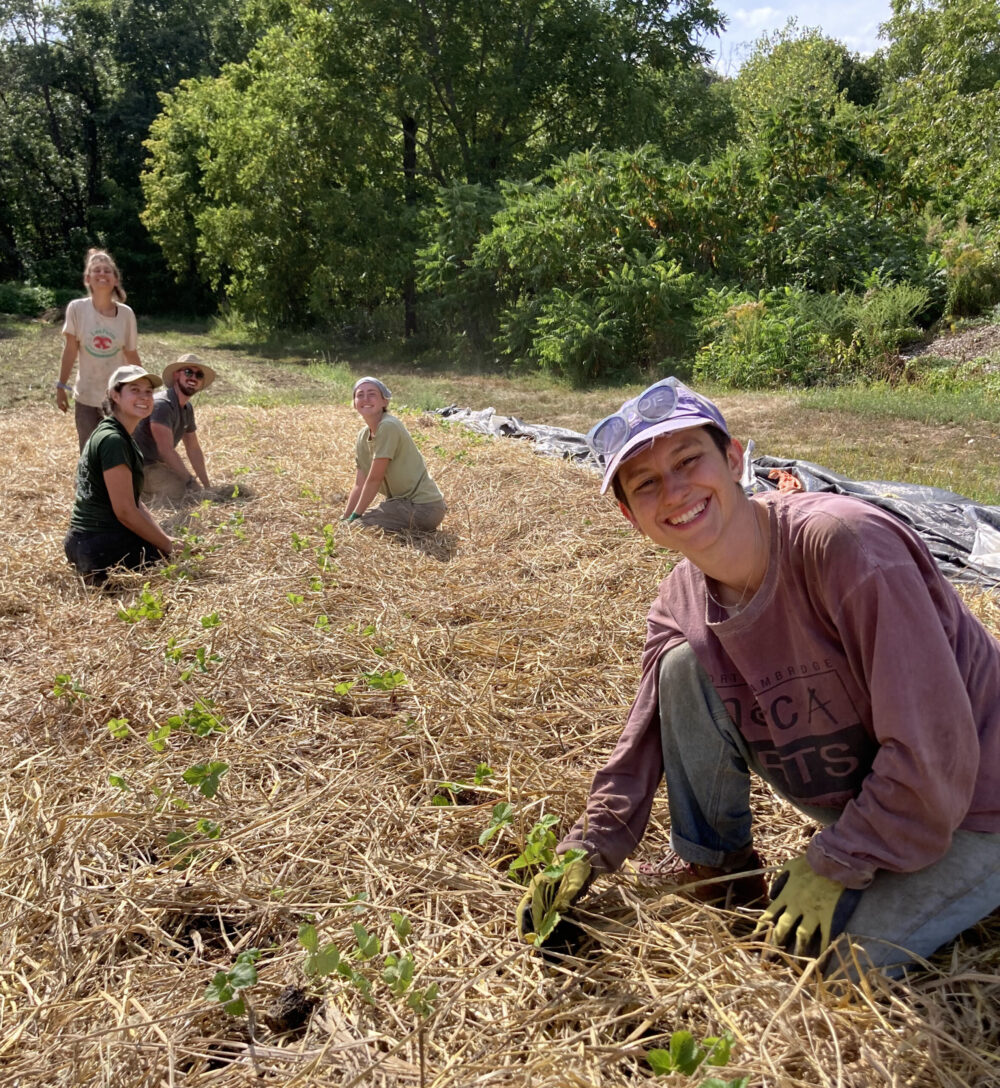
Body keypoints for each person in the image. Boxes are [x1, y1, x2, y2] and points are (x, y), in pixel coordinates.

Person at [517, 376, 1000, 978]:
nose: (674, 491)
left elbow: (936, 751)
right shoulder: (680, 599)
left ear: (735, 457)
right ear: (630, 516)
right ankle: (717, 867)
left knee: (821, 968)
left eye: (688, 460)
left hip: (975, 803)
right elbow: (642, 740)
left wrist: (834, 862)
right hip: (868, 796)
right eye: (645, 485)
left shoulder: (845, 546)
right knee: (682, 666)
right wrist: (589, 846)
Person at [64, 365, 175, 585]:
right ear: (115, 394)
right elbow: (125, 511)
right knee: (171, 563)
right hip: (98, 545)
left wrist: (164, 538)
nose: (144, 397)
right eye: (135, 390)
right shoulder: (114, 440)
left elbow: (134, 502)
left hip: (85, 542)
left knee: (165, 548)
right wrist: (168, 546)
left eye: (148, 391)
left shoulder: (118, 434)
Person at [56, 249, 142, 451]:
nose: (102, 274)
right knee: (88, 451)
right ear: (88, 278)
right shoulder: (76, 309)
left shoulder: (126, 314)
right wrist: (61, 386)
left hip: (118, 397)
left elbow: (131, 354)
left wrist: (145, 390)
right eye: (96, 270)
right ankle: (87, 483)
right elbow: (70, 351)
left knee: (119, 450)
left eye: (107, 270)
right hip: (86, 395)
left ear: (115, 280)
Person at [342, 377, 447, 532]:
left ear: (385, 402)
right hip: (400, 504)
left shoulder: (388, 426)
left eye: (372, 394)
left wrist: (355, 517)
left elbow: (374, 479)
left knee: (357, 529)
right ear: (354, 403)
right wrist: (345, 517)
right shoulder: (362, 436)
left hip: (423, 507)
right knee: (351, 526)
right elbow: (360, 484)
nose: (365, 399)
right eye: (360, 395)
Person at [133, 353, 216, 503]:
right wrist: (190, 482)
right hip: (139, 467)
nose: (193, 378)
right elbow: (165, 451)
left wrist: (207, 486)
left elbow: (193, 448)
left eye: (199, 375)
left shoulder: (187, 408)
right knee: (182, 491)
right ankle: (139, 496)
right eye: (188, 372)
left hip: (156, 465)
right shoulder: (162, 405)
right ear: (176, 375)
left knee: (187, 486)